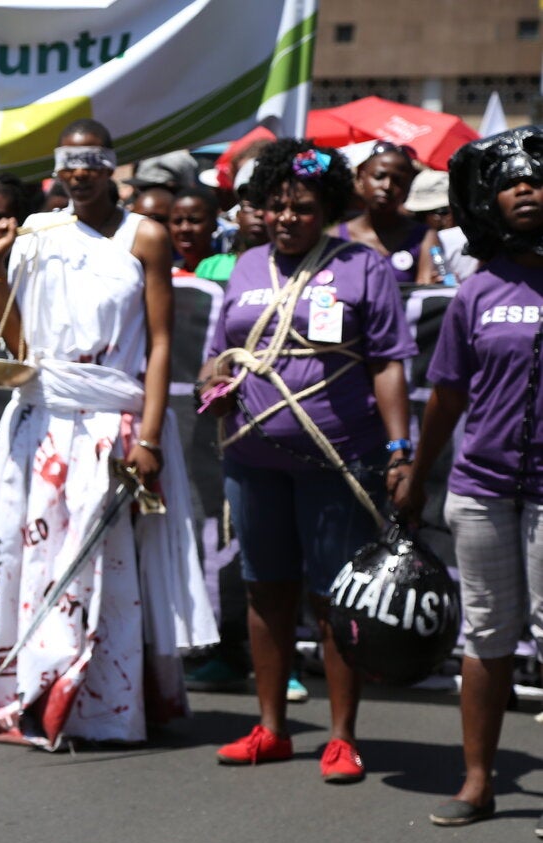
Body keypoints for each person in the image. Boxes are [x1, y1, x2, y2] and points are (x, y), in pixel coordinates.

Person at [0, 119, 217, 749]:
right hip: (41, 422)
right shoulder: (36, 235)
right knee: (32, 561)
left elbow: (162, 343)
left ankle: (100, 705)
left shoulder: (147, 237)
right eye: (69, 161)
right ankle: (28, 690)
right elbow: (20, 349)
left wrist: (151, 437)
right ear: (57, 170)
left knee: (104, 569)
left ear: (112, 166)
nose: (80, 171)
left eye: (92, 160)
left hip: (112, 419)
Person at [198, 139, 415, 782]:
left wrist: (401, 449)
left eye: (301, 207)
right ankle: (271, 728)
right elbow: (217, 353)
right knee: (267, 592)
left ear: (325, 208)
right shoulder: (244, 268)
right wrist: (216, 376)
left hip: (338, 461)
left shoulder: (362, 267)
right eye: (275, 207)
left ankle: (342, 737)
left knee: (334, 599)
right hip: (253, 459)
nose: (287, 218)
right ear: (260, 209)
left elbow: (388, 363)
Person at [394, 126, 543, 833]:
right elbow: (446, 398)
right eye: (512, 181)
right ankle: (478, 781)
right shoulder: (476, 292)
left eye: (537, 180)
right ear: (490, 199)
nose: (527, 190)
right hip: (481, 488)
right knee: (486, 633)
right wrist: (418, 476)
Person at [335, 142, 435, 283]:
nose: (387, 186)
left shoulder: (425, 238)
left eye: (398, 180)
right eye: (379, 176)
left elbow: (426, 293)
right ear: (361, 178)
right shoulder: (335, 237)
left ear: (409, 186)